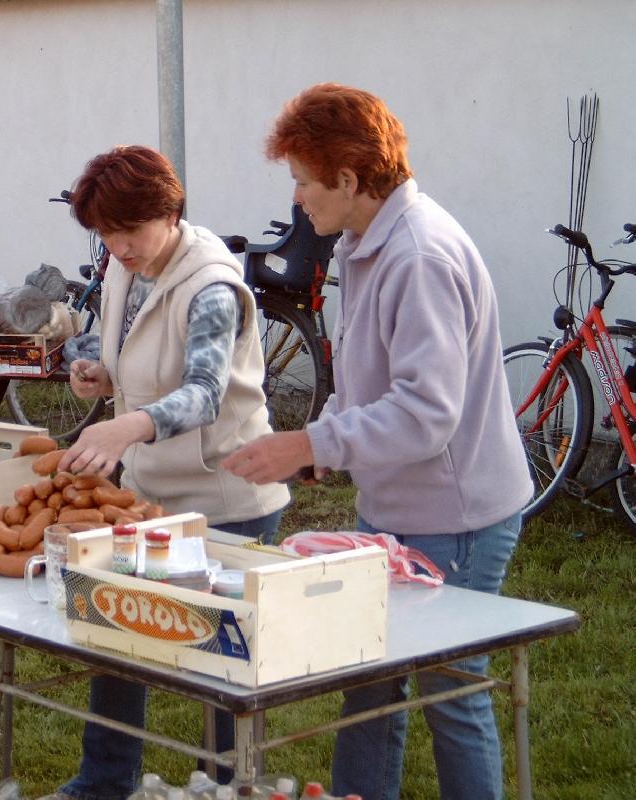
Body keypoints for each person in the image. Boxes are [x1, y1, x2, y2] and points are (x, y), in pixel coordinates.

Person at [223, 83, 532, 800]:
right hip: (398, 506)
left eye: (303, 180)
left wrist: (311, 445)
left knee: (451, 692)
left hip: (456, 516)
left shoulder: (419, 256)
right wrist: (326, 446)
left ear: (348, 178)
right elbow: (371, 381)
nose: (296, 198)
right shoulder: (366, 241)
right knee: (367, 680)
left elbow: (426, 414)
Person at [45, 145, 290, 800]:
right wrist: (101, 374)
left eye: (129, 230)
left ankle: (229, 786)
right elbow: (137, 357)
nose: (118, 247)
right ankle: (104, 781)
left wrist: (126, 427)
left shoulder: (211, 286)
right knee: (115, 637)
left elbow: (203, 395)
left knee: (222, 664)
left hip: (228, 498)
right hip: (148, 493)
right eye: (105, 234)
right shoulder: (127, 267)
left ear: (169, 212)